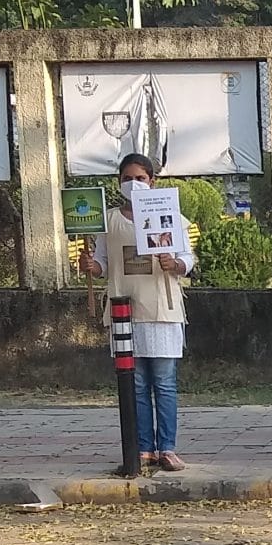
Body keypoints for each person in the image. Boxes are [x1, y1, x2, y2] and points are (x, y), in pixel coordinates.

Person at [80, 153, 196, 473]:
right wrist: (92, 266)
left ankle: (167, 448)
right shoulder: (109, 221)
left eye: (140, 178)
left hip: (162, 307)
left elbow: (188, 258)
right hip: (124, 309)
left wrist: (176, 264)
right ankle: (143, 448)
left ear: (152, 181)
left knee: (164, 382)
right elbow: (103, 264)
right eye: (127, 179)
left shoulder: (170, 216)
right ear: (119, 183)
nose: (134, 184)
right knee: (136, 384)